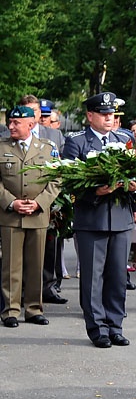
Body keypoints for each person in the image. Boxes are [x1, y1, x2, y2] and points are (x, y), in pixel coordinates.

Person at [64, 92, 136, 348]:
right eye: (104, 114)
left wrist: (135, 188)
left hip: (120, 218)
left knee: (118, 276)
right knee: (93, 278)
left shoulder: (125, 139)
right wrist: (93, 192)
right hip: (92, 219)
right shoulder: (76, 142)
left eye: (112, 114)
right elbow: (69, 181)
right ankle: (97, 328)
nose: (110, 118)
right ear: (90, 116)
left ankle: (115, 325)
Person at [0, 106, 61, 327]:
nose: (11, 126)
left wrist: (40, 203)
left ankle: (34, 309)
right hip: (10, 215)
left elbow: (57, 179)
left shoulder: (47, 148)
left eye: (17, 122)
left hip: (37, 215)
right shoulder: (2, 147)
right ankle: (10, 311)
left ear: (31, 124)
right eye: (11, 122)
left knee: (36, 265)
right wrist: (11, 202)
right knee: (11, 266)